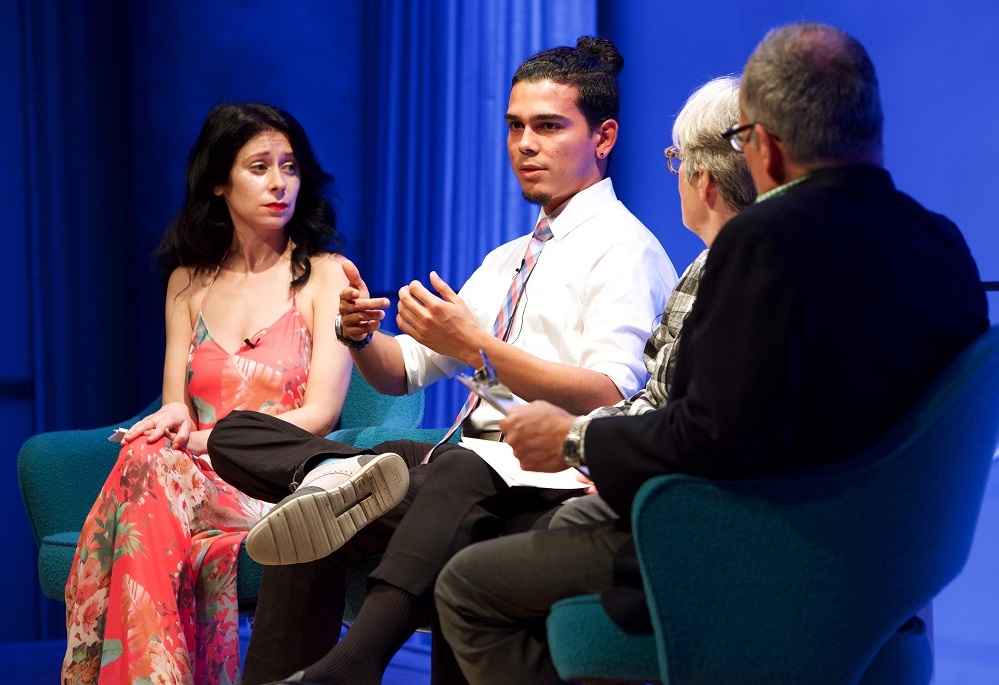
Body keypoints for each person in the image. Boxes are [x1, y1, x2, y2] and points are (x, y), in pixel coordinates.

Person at [434, 22, 990, 685]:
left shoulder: (762, 241)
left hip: (749, 553)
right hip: (890, 577)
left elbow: (716, 434)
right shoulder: (943, 246)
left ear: (764, 148)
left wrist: (574, 438)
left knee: (469, 585)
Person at [207, 36, 677, 684]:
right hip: (455, 467)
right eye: (514, 126)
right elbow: (400, 369)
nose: (524, 144)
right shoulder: (511, 254)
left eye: (547, 126)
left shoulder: (625, 251)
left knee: (429, 475)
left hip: (537, 483)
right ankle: (324, 475)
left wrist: (478, 349)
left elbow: (604, 393)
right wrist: (357, 334)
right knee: (242, 438)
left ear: (603, 137)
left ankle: (347, 660)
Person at [62, 103, 355, 685]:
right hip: (186, 478)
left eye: (290, 167)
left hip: (273, 479)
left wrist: (193, 439)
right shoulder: (187, 284)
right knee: (145, 455)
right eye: (259, 167)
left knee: (145, 469)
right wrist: (167, 424)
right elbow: (175, 401)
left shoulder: (327, 275)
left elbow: (320, 416)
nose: (279, 183)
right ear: (219, 181)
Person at [550, 74, 754, 530]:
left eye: (677, 160)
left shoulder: (732, 278)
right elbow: (655, 398)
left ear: (703, 180)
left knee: (468, 575)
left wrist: (582, 445)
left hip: (688, 502)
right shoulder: (703, 266)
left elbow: (681, 419)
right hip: (643, 458)